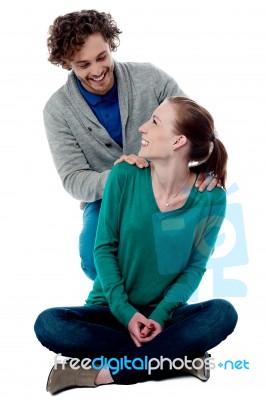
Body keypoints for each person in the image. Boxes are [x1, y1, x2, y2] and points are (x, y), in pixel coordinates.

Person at [34, 96, 238, 394]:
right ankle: (175, 359)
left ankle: (102, 373)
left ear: (178, 141)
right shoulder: (125, 175)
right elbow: (103, 248)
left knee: (223, 313)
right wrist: (127, 314)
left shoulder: (212, 198)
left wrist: (159, 315)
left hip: (163, 317)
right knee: (49, 324)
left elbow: (195, 267)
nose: (143, 127)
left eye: (154, 121)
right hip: (112, 311)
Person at [44, 9, 219, 280]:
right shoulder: (57, 110)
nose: (98, 71)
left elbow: (194, 124)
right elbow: (73, 179)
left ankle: (163, 311)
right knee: (94, 264)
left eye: (102, 57)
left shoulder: (150, 78)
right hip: (106, 197)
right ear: (68, 63)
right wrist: (118, 176)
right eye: (83, 65)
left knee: (170, 260)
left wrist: (209, 166)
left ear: (111, 45)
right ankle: (124, 313)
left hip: (164, 186)